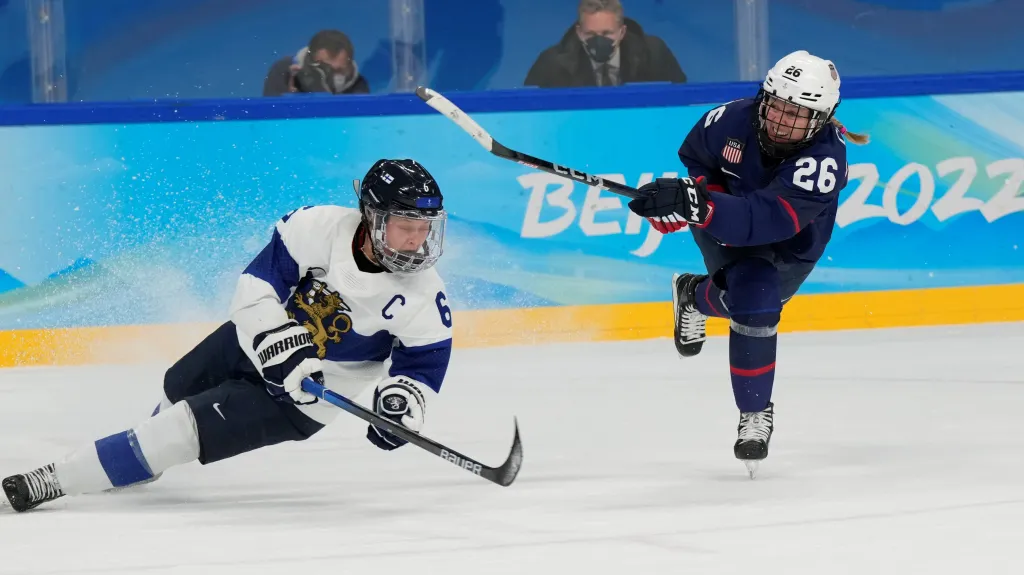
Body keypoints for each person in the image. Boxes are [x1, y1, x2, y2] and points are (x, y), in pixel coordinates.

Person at [3, 159, 453, 512]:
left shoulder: (426, 297)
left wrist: (400, 406)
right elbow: (257, 286)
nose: (416, 241)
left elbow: (423, 366)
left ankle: (54, 479)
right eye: (405, 227)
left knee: (180, 431)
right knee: (175, 388)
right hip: (255, 338)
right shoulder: (318, 227)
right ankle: (138, 461)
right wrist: (278, 341)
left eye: (423, 230)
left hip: (308, 396)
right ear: (372, 218)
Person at [626, 50, 869, 478]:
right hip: (725, 222)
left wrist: (697, 205)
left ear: (822, 117)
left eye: (797, 114)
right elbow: (696, 156)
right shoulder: (729, 120)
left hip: (790, 241)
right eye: (776, 106)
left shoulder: (825, 162)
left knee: (755, 298)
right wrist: (692, 195)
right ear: (763, 97)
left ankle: (694, 296)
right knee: (755, 300)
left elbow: (766, 220)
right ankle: (755, 413)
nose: (781, 120)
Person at [524, 0, 686, 89]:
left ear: (622, 32)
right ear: (579, 33)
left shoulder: (654, 53)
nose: (599, 41)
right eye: (591, 34)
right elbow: (530, 112)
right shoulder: (551, 64)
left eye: (607, 33)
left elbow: (682, 99)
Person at [263, 29, 370, 96]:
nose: (331, 76)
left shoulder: (358, 86)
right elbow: (269, 119)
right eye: (325, 68)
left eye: (340, 70)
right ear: (310, 60)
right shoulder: (284, 71)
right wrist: (291, 98)